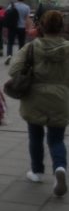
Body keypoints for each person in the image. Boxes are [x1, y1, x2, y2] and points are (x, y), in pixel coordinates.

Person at [8, 10, 69, 196]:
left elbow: (14, 70)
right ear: (62, 27)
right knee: (57, 139)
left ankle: (37, 171)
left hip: (34, 97)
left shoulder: (31, 47)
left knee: (35, 135)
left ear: (41, 26)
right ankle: (60, 168)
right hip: (61, 97)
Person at [5, 0, 31, 64]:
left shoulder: (11, 5)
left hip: (12, 27)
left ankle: (9, 55)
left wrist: (7, 27)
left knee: (10, 42)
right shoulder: (26, 7)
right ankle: (20, 58)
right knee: (21, 43)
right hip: (22, 27)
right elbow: (27, 19)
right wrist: (28, 28)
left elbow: (7, 15)